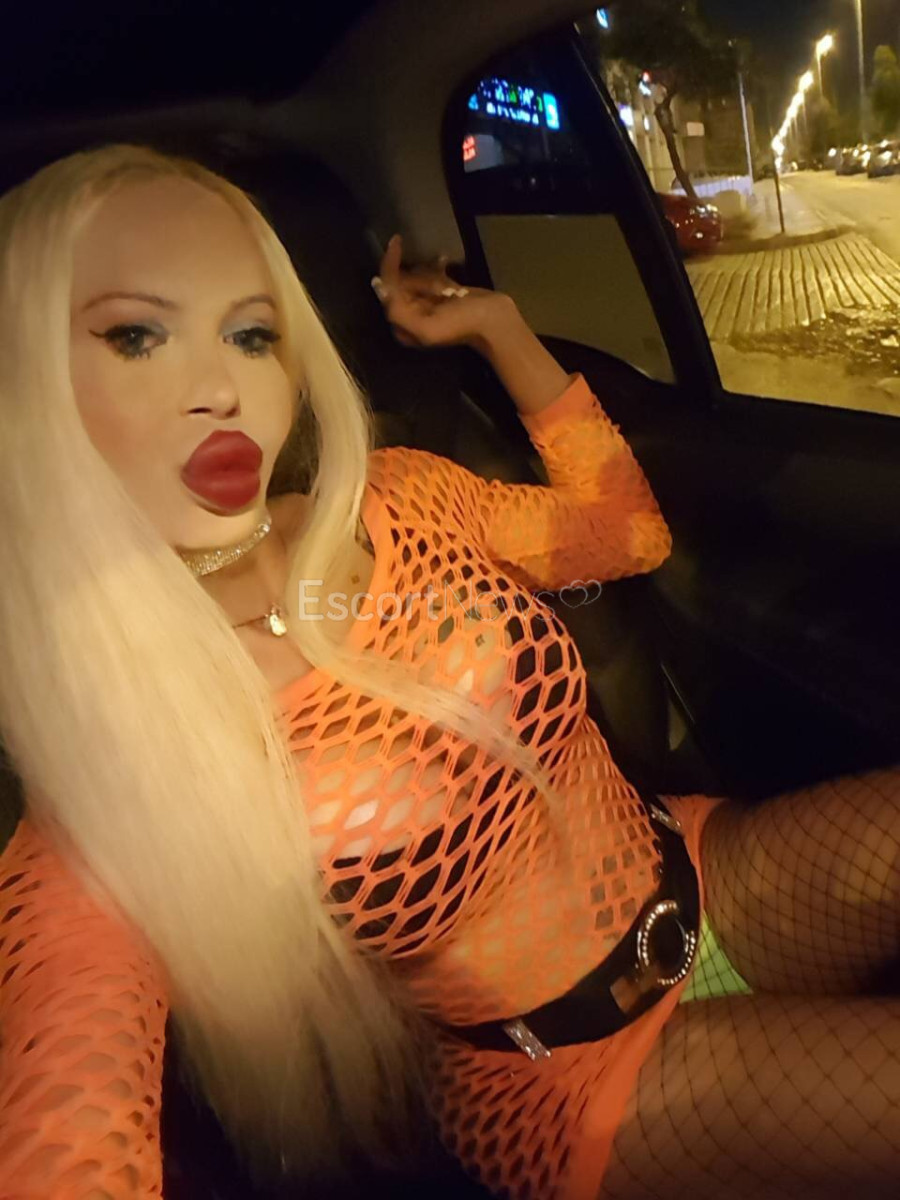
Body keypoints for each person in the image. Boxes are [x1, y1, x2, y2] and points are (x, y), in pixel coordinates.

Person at [0, 142, 897, 1200]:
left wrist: (496, 328)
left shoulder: (400, 498)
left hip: (701, 875)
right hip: (570, 1076)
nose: (220, 389)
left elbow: (624, 534)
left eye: (251, 334)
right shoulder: (105, 762)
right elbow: (66, 1107)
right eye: (135, 336)